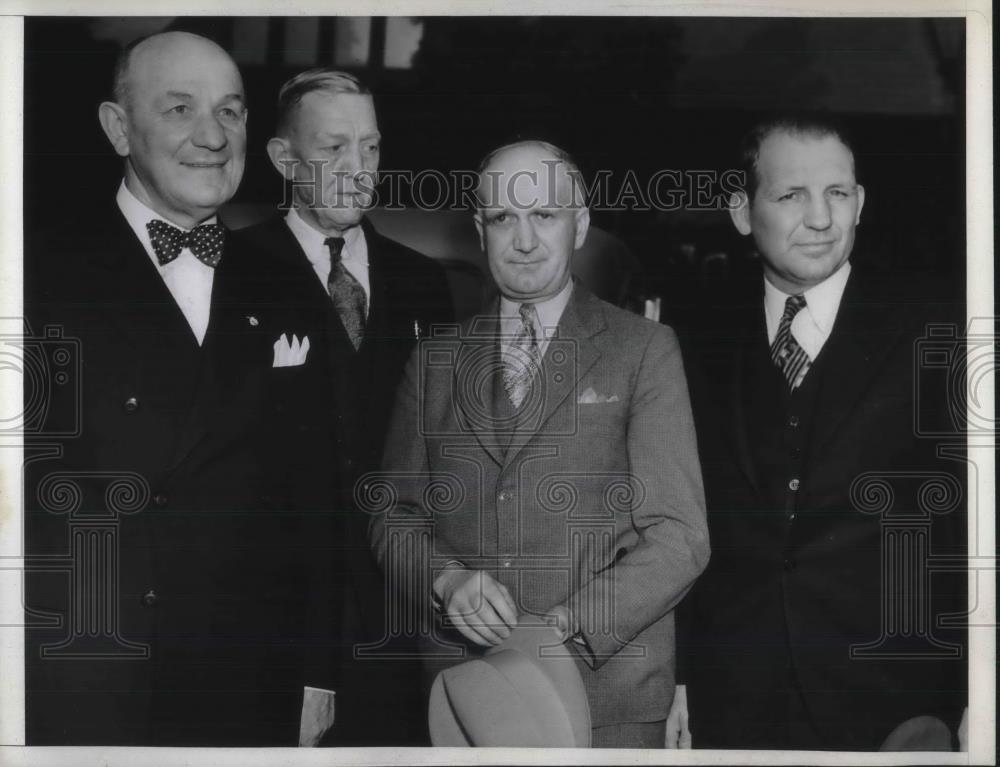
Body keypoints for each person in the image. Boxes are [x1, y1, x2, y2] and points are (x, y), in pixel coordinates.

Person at [24, 31, 338, 746]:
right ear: (117, 127)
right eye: (179, 109)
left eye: (230, 112)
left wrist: (319, 674)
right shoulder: (38, 274)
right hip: (86, 678)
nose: (212, 136)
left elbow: (317, 501)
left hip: (247, 681)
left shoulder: (286, 283)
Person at [369, 140, 709, 748]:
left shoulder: (644, 349)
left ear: (579, 225)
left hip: (606, 698)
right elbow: (393, 517)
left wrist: (562, 630)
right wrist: (445, 581)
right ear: (480, 229)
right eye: (503, 218)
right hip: (467, 700)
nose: (524, 240)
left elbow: (679, 536)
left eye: (544, 215)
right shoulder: (434, 362)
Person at [671, 114, 967, 750]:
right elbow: (682, 519)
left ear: (860, 203)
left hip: (895, 700)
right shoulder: (692, 334)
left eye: (837, 193)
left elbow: (970, 526)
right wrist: (681, 680)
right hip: (735, 701)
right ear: (742, 213)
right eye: (790, 195)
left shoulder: (939, 327)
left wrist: (972, 693)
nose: (821, 218)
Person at [238, 69, 454, 744]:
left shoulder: (425, 282)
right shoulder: (230, 274)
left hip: (404, 622)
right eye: (333, 149)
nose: (357, 170)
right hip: (275, 628)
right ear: (283, 158)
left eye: (371, 148)